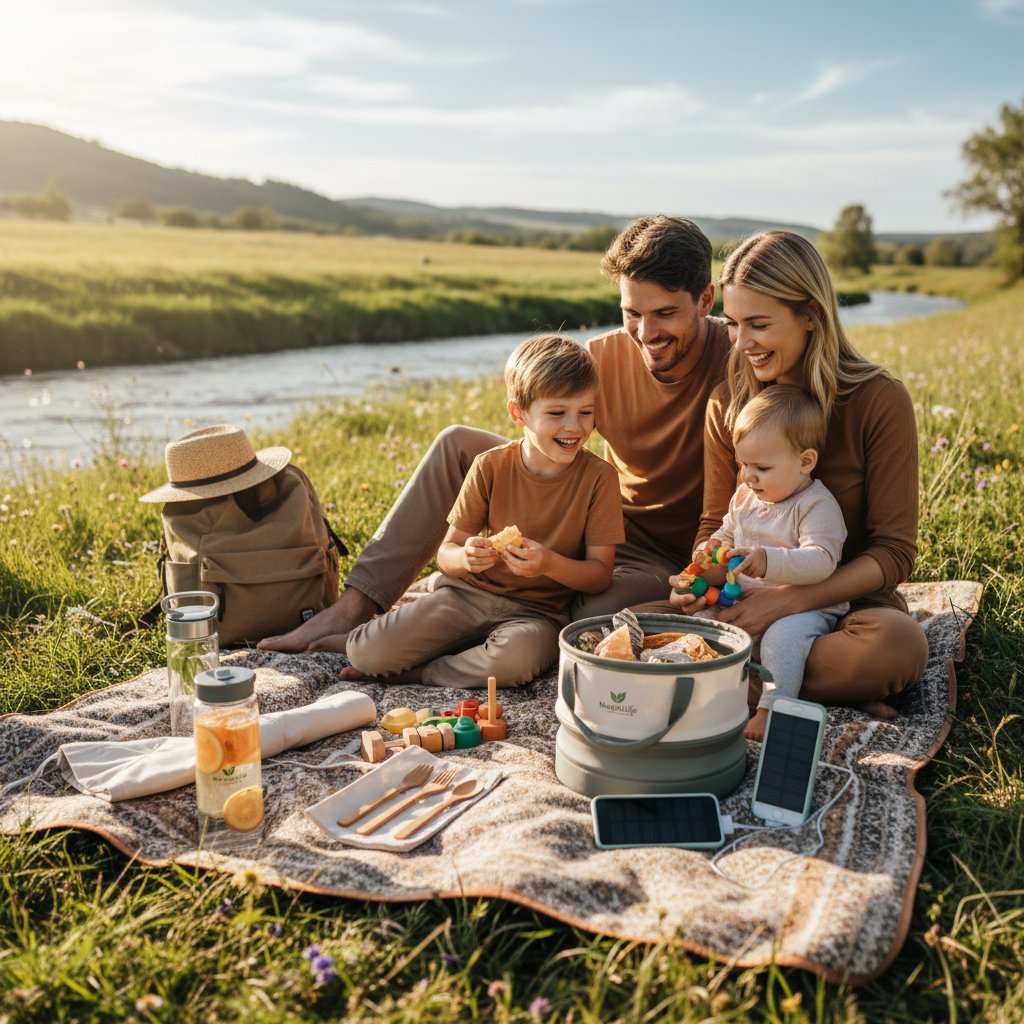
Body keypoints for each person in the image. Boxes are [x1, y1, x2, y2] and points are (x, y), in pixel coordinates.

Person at [259, 215, 732, 652]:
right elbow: (551, 430)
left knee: (589, 615)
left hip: (662, 557)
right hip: (592, 517)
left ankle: (454, 612)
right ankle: (353, 609)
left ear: (705, 301)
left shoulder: (735, 364)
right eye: (632, 313)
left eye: (664, 314)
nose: (645, 333)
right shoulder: (603, 357)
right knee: (457, 444)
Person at [669, 230, 928, 714]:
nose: (741, 342)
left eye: (758, 324)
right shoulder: (728, 405)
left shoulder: (879, 400)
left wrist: (786, 602)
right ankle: (801, 685)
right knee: (630, 619)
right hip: (742, 602)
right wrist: (700, 576)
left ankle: (728, 679)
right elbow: (715, 525)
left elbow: (894, 553)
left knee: (896, 646)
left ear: (810, 314)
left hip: (844, 610)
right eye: (732, 324)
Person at [333, 334, 623, 688]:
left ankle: (422, 672)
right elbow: (447, 553)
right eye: (557, 413)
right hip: (466, 597)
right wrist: (466, 557)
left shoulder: (600, 478)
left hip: (538, 615)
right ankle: (435, 651)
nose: (574, 427)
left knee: (514, 661)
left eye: (585, 412)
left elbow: (600, 575)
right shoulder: (490, 466)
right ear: (518, 413)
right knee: (366, 653)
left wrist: (548, 563)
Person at [693, 384, 850, 740]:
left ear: (805, 462)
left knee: (781, 640)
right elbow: (726, 532)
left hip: (804, 607)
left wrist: (768, 561)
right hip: (745, 598)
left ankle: (771, 709)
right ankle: (706, 694)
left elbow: (822, 561)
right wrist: (709, 548)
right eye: (743, 464)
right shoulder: (745, 497)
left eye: (761, 467)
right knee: (703, 623)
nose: (748, 476)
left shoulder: (815, 505)